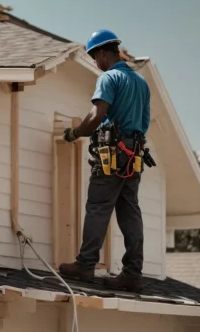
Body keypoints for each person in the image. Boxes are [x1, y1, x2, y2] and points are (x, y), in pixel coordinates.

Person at [58, 29, 151, 292]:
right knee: (130, 212)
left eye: (93, 57)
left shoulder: (109, 78)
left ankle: (85, 265)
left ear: (101, 53)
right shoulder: (141, 83)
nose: (95, 63)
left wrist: (75, 132)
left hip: (112, 156)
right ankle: (133, 273)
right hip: (133, 156)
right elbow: (143, 124)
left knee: (98, 207)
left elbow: (97, 115)